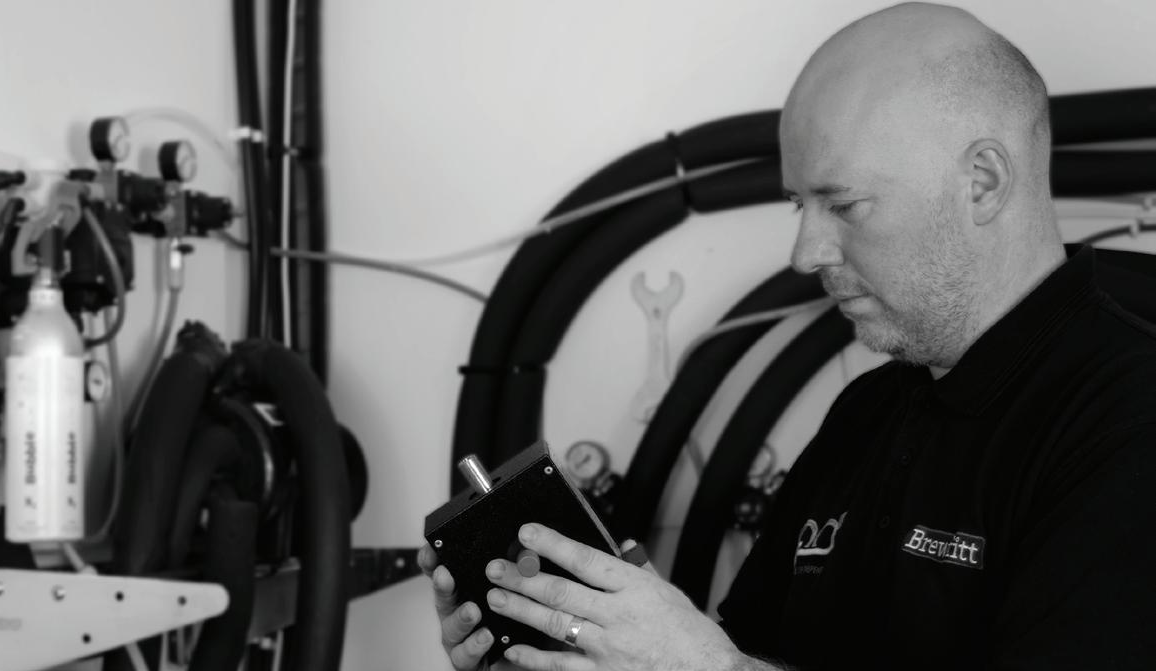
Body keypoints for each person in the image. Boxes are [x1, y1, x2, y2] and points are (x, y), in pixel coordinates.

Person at [420, 2, 1156, 669]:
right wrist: (593, 640)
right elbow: (752, 651)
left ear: (984, 182)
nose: (805, 254)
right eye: (799, 205)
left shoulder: (1129, 411)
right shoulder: (867, 410)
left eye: (845, 204)